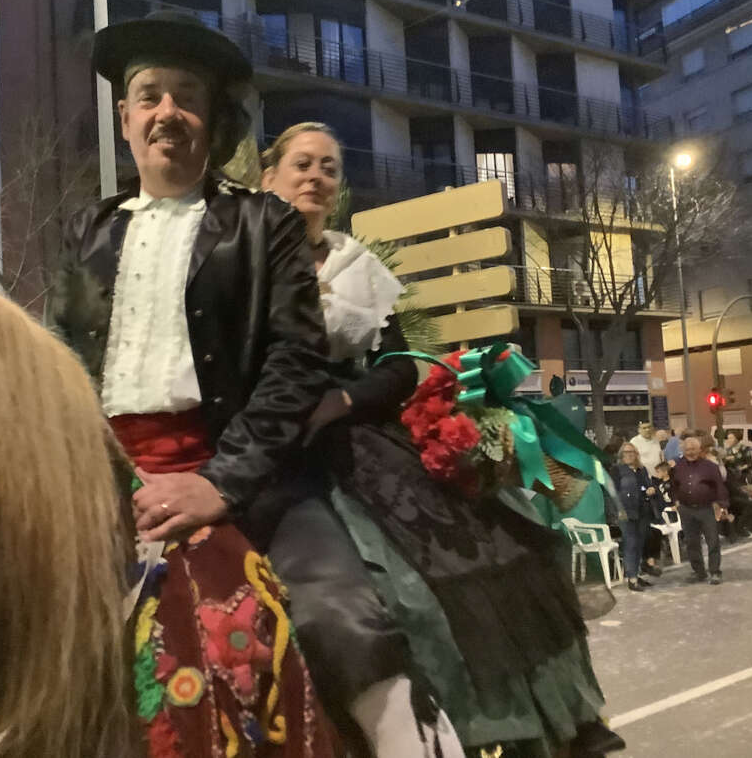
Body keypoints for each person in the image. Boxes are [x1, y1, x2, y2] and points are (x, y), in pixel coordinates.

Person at [45, 11, 459, 757]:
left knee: (344, 623)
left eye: (187, 96)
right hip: (107, 483)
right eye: (149, 95)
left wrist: (219, 482)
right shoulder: (89, 230)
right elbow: (64, 362)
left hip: (253, 480)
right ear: (125, 117)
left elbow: (296, 362)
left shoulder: (264, 222)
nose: (167, 111)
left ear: (212, 119)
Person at [261, 121, 625, 757]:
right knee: (404, 593)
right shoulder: (242, 267)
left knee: (511, 542)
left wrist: (346, 399)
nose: (316, 177)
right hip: (285, 444)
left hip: (366, 435)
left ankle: (561, 719)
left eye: (329, 168)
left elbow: (401, 362)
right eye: (302, 164)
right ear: (269, 178)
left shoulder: (355, 265)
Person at [671, 436, 729, 584]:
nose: (690, 452)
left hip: (707, 508)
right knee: (692, 542)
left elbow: (720, 487)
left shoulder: (710, 467)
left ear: (699, 450)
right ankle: (699, 572)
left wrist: (722, 505)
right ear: (683, 450)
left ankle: (715, 572)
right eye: (687, 449)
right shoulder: (678, 467)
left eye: (693, 449)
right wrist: (676, 501)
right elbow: (674, 486)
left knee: (713, 541)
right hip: (686, 509)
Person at [610, 444, 656, 591]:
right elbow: (612, 492)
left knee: (640, 544)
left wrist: (651, 489)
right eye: (626, 452)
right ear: (621, 455)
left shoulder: (642, 470)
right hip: (626, 512)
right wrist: (618, 510)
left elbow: (647, 485)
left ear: (636, 454)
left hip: (643, 511)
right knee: (631, 544)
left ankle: (636, 574)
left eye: (632, 452)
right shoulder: (617, 470)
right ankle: (632, 579)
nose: (629, 454)